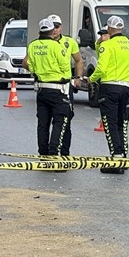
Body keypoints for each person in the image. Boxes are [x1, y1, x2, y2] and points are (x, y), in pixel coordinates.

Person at [89, 15, 129, 173]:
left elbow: (102, 68)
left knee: (110, 123)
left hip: (109, 88)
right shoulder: (127, 44)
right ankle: (122, 157)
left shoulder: (108, 45)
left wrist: (90, 79)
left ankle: (116, 158)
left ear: (110, 29)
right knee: (121, 124)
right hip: (125, 89)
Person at [25, 18, 74, 157]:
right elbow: (65, 66)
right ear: (52, 31)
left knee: (43, 124)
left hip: (41, 89)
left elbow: (31, 66)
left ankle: (43, 154)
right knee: (60, 122)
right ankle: (54, 154)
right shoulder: (57, 46)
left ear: (40, 31)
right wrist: (66, 81)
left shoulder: (33, 45)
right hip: (58, 89)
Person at [48, 14, 83, 154]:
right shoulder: (42, 43)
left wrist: (78, 77)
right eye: (52, 27)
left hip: (65, 87)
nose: (54, 30)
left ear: (61, 27)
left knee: (66, 121)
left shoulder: (69, 42)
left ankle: (64, 153)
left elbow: (79, 61)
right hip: (48, 86)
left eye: (57, 27)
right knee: (46, 122)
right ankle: (47, 154)